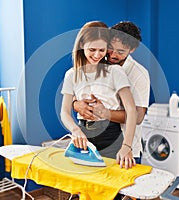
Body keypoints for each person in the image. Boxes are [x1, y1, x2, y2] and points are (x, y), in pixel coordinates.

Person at [60, 21, 137, 169]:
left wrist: (127, 146)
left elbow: (131, 110)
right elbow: (64, 111)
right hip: (83, 137)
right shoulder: (71, 75)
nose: (97, 55)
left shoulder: (115, 72)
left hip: (111, 137)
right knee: (83, 187)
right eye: (92, 49)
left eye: (102, 50)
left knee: (112, 187)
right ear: (82, 45)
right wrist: (75, 130)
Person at [73, 21, 150, 164]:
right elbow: (79, 92)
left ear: (132, 49)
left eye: (120, 52)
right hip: (95, 142)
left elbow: (138, 116)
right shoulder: (99, 63)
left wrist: (106, 113)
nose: (113, 55)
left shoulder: (139, 75)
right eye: (110, 48)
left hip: (126, 148)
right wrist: (76, 104)